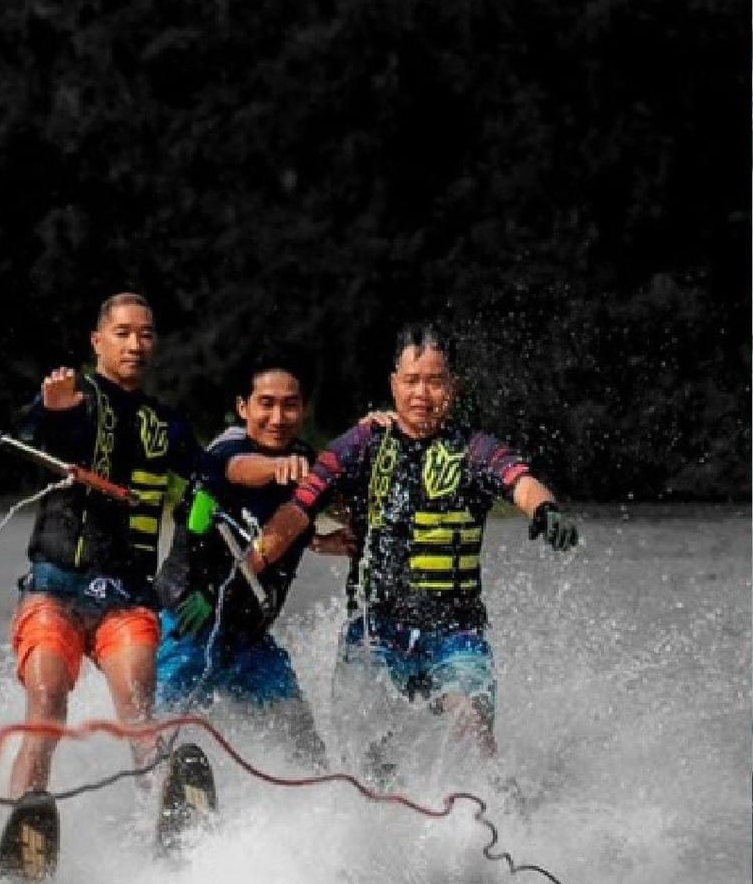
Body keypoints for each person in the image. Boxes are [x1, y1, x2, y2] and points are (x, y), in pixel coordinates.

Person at [244, 322, 578, 758]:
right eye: (411, 380)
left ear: (453, 387)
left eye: (435, 381)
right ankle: (369, 787)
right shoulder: (359, 446)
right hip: (374, 633)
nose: (422, 393)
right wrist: (247, 570)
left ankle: (488, 795)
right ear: (393, 384)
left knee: (471, 727)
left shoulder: (474, 449)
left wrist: (545, 509)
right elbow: (298, 509)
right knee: (365, 745)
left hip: (455, 634)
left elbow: (519, 480)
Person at [0, 293, 208, 882]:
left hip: (127, 600)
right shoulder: (73, 402)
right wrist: (50, 409)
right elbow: (20, 435)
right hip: (55, 591)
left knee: (138, 705)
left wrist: (184, 570)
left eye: (146, 333)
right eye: (122, 333)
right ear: (98, 341)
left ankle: (164, 827)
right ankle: (26, 818)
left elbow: (209, 489)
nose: (136, 344)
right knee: (47, 702)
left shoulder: (167, 425)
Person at [152, 353, 335, 767]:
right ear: (243, 407)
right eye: (266, 404)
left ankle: (315, 797)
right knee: (160, 735)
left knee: (305, 747)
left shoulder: (304, 463)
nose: (278, 417)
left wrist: (323, 539)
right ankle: (157, 788)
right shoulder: (226, 450)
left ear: (304, 410)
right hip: (187, 625)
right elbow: (239, 471)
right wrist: (276, 467)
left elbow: (285, 520)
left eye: (290, 405)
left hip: (248, 641)